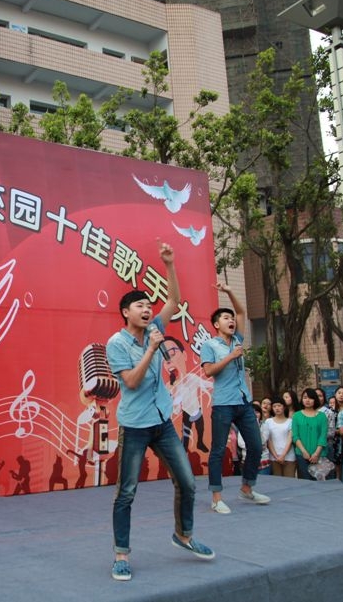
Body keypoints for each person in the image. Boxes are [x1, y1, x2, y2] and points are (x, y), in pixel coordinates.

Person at [105, 243, 214, 581]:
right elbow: (131, 382)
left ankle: (183, 535)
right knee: (127, 492)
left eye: (148, 306)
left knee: (188, 482)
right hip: (135, 426)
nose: (147, 310)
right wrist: (151, 349)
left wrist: (169, 264)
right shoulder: (116, 344)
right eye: (139, 305)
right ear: (126, 312)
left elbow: (174, 301)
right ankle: (121, 555)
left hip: (162, 422)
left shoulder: (155, 328)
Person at [201, 283, 270, 514]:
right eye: (225, 318)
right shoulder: (210, 345)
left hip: (243, 401)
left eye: (231, 318)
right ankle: (216, 498)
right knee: (218, 450)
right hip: (223, 404)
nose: (231, 320)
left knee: (256, 445)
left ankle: (247, 488)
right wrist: (231, 356)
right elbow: (209, 371)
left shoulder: (238, 339)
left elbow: (241, 312)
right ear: (216, 324)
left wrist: (230, 291)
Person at [291, 388, 328, 481]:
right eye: (305, 397)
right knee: (304, 482)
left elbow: (323, 436)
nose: (307, 400)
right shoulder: (296, 416)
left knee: (319, 483)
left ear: (315, 400)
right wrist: (304, 452)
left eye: (310, 398)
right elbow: (295, 436)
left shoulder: (322, 416)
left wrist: (316, 454)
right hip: (301, 454)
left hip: (319, 454)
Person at [265, 397, 296, 478]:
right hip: (273, 457)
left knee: (290, 481)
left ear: (284, 407)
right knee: (276, 481)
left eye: (279, 406)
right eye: (274, 406)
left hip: (289, 457)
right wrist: (276, 456)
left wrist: (283, 455)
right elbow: (269, 440)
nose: (277, 408)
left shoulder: (290, 421)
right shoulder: (268, 422)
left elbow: (290, 439)